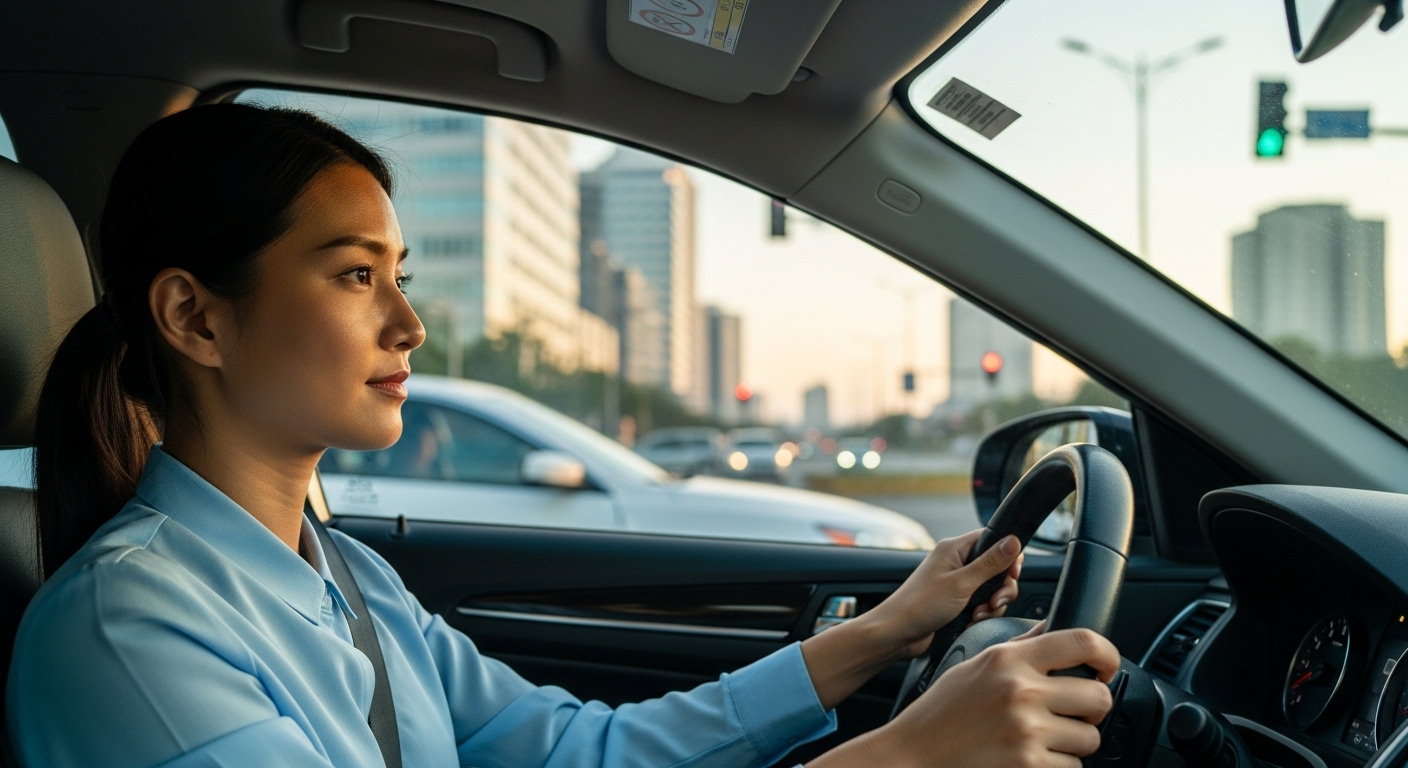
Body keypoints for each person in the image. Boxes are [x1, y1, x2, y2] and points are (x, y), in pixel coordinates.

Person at [7, 104, 1119, 768]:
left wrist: (879, 636)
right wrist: (906, 755)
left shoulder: (344, 576)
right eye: (355, 276)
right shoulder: (126, 631)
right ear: (195, 316)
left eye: (401, 276)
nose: (410, 323)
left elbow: (575, 752)